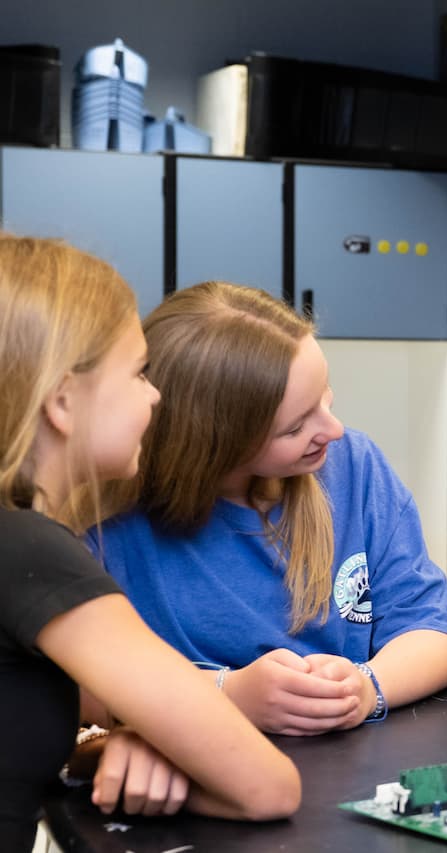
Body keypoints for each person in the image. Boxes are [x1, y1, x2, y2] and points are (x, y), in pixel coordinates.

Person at [0, 236, 300, 850]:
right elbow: (269, 787)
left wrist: (115, 746)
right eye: (137, 373)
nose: (155, 395)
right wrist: (183, 774)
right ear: (61, 400)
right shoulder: (30, 551)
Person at [94, 281, 447, 736]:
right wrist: (227, 694)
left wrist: (366, 686)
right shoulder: (111, 522)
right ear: (212, 444)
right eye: (294, 427)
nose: (334, 430)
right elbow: (83, 687)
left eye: (326, 399)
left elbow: (429, 631)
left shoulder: (355, 469)